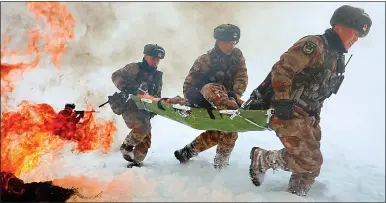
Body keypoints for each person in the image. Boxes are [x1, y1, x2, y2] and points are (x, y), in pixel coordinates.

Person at [248, 5, 372, 196]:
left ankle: (294, 196)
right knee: (310, 161)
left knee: (311, 168)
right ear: (339, 26)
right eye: (354, 33)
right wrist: (282, 102)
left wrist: (315, 117)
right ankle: (263, 159)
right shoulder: (315, 45)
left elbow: (320, 91)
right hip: (285, 108)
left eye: (359, 36)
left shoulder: (336, 58)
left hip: (307, 114)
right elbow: (282, 69)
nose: (356, 39)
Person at [173, 24, 248, 169]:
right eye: (227, 43)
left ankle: (187, 152)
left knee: (224, 129)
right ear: (218, 41)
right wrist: (194, 98)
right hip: (205, 99)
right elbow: (188, 85)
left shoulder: (237, 55)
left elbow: (242, 76)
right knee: (212, 91)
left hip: (227, 100)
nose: (230, 46)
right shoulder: (205, 60)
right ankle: (220, 165)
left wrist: (237, 94)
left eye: (233, 43)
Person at [110, 44, 165, 167]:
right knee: (143, 127)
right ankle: (126, 147)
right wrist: (130, 88)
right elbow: (115, 76)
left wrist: (156, 106)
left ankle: (135, 162)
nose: (156, 61)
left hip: (145, 109)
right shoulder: (134, 68)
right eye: (153, 58)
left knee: (145, 142)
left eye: (158, 59)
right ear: (145, 56)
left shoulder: (157, 76)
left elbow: (156, 95)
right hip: (130, 105)